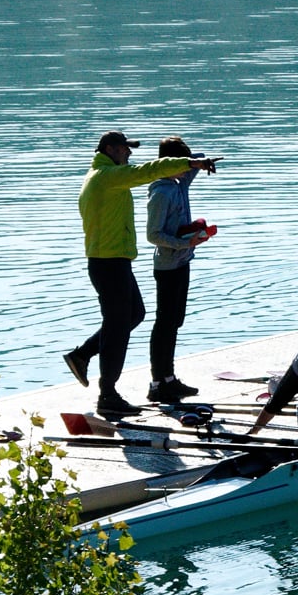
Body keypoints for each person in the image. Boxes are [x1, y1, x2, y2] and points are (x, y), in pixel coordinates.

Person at [64, 130, 220, 417]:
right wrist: (190, 163)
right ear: (110, 149)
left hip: (114, 262)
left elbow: (146, 169)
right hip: (107, 263)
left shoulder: (104, 176)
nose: (129, 154)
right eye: (125, 149)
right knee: (117, 327)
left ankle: (82, 354)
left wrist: (194, 162)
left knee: (134, 315)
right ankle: (107, 395)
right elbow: (149, 170)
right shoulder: (106, 176)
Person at [145, 136, 215, 404]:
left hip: (182, 261)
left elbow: (196, 155)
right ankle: (156, 383)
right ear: (169, 164)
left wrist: (199, 161)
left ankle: (169, 379)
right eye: (184, 163)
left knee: (175, 322)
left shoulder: (179, 181)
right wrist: (184, 242)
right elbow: (153, 235)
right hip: (167, 265)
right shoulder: (161, 191)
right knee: (164, 323)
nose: (189, 169)